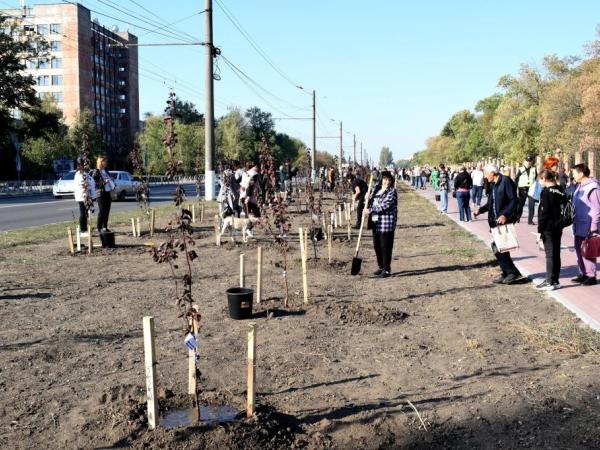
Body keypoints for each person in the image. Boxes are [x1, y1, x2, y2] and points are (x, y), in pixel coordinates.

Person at [474, 164, 522, 284]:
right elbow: (491, 203)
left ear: (493, 173)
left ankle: (510, 272)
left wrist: (505, 215)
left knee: (500, 247)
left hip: (504, 220)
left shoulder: (506, 181)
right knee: (499, 247)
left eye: (486, 173)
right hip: (495, 221)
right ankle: (508, 272)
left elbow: (514, 200)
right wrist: (479, 210)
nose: (485, 176)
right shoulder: (493, 184)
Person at [536, 169, 567, 290]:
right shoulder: (560, 190)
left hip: (548, 227)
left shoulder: (547, 192)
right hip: (558, 226)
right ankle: (555, 280)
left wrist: (540, 230)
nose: (539, 182)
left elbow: (544, 212)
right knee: (556, 253)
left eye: (540, 179)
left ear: (544, 179)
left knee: (549, 254)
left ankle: (549, 281)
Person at [571, 164, 600, 286]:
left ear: (581, 174)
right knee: (579, 249)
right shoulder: (579, 186)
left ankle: (591, 275)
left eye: (574, 173)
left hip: (588, 224)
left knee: (588, 249)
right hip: (578, 223)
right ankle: (583, 272)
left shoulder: (593, 188)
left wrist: (594, 224)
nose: (572, 175)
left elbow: (597, 208)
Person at [365, 171, 397, 278]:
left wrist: (370, 210)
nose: (386, 182)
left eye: (388, 180)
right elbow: (370, 201)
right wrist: (367, 198)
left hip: (386, 223)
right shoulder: (376, 189)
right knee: (377, 246)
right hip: (376, 222)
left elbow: (384, 206)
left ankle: (387, 269)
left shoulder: (392, 192)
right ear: (381, 180)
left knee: (385, 246)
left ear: (391, 181)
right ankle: (381, 266)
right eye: (385, 179)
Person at [74, 158, 96, 237]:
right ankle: (83, 230)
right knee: (83, 213)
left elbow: (91, 183)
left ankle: (86, 229)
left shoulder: (86, 173)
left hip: (87, 196)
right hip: (82, 196)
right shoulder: (79, 174)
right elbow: (83, 184)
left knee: (86, 213)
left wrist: (93, 196)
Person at [91, 156, 114, 232]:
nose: (106, 163)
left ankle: (105, 227)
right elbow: (94, 183)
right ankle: (99, 227)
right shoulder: (96, 171)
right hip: (100, 193)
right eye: (105, 161)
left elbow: (108, 178)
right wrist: (104, 182)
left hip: (107, 192)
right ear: (101, 162)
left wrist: (111, 179)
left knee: (107, 210)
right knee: (102, 210)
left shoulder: (106, 170)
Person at [514, 155, 537, 225]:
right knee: (520, 205)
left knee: (531, 205)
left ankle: (530, 220)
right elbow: (516, 179)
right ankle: (517, 217)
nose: (528, 162)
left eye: (530, 161)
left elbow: (536, 178)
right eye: (527, 161)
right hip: (522, 189)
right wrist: (515, 189)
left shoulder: (534, 169)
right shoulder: (521, 169)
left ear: (532, 162)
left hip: (531, 189)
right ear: (524, 162)